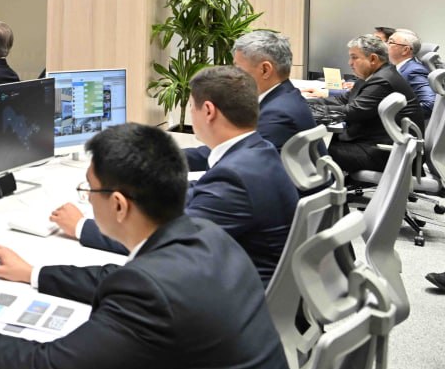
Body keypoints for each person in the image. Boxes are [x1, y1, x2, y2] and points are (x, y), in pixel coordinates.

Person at [0, 123, 298, 369]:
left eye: (89, 190)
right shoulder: (208, 236)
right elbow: (117, 277)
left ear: (119, 205)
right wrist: (34, 272)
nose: (86, 199)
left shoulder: (150, 290)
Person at [50, 66, 298, 286]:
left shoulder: (234, 177)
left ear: (208, 111)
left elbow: (161, 245)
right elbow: (198, 192)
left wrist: (81, 227)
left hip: (232, 298)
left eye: (191, 107)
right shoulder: (259, 151)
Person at [312, 34, 416, 175]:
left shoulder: (383, 80)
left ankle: (321, 187)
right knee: (318, 142)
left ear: (373, 59)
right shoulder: (373, 75)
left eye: (354, 57)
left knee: (310, 149)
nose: (350, 63)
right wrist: (305, 102)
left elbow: (352, 111)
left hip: (383, 152)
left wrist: (310, 110)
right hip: (372, 143)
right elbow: (343, 99)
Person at [232, 30, 319, 151]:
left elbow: (241, 157)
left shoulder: (275, 115)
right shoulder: (287, 96)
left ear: (265, 70)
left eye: (238, 68)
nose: (235, 75)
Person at [388, 29, 435, 120]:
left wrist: (393, 114)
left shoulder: (413, 71)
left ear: (405, 50)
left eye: (390, 42)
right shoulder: (396, 67)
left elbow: (429, 104)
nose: (386, 45)